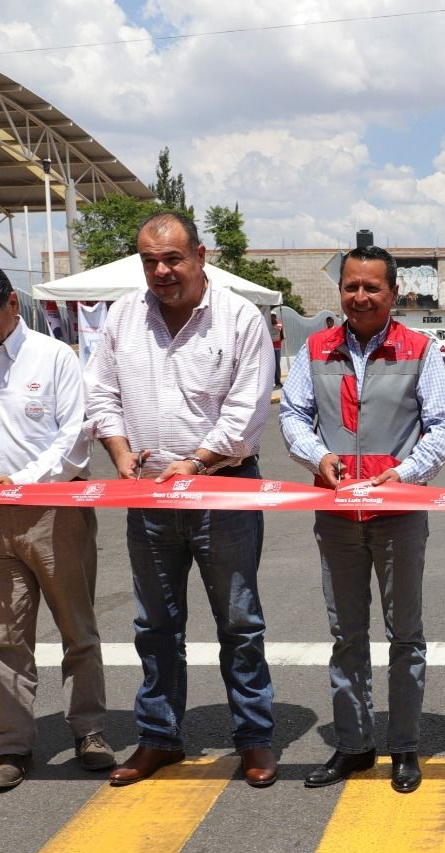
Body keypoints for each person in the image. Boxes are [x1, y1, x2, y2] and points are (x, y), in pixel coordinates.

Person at [85, 211, 278, 788]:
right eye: (149, 261)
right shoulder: (124, 317)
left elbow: (247, 411)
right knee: (155, 624)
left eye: (172, 258)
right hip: (148, 495)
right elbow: (101, 393)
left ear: (200, 255)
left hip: (223, 488)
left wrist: (194, 464)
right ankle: (159, 737)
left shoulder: (240, 318)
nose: (162, 271)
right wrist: (119, 453)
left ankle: (254, 737)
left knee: (239, 622)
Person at [280, 245, 445, 795]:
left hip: (398, 512)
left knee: (405, 634)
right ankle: (354, 744)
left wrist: (407, 473)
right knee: (345, 634)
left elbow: (444, 426)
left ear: (393, 293)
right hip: (336, 513)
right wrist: (317, 456)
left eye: (371, 288)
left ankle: (404, 744)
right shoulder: (315, 349)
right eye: (351, 287)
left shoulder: (420, 350)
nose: (359, 296)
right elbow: (293, 413)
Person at [0, 257, 112, 792]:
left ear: (12, 303)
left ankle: (88, 730)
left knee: (76, 629)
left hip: (55, 512)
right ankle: (13, 744)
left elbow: (73, 439)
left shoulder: (54, 357)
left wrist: (22, 480)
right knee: (2, 636)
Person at [269, 311, 285, 388]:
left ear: (275, 316)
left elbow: (282, 336)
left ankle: (278, 382)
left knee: (277, 364)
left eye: (274, 316)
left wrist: (277, 342)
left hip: (277, 347)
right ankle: (269, 382)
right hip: (268, 348)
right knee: (269, 365)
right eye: (271, 316)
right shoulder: (267, 325)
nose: (272, 317)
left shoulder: (279, 325)